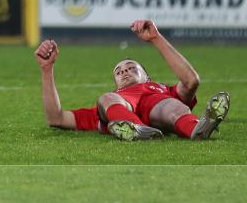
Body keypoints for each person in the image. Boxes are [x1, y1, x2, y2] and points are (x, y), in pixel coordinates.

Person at [35, 20, 231, 141]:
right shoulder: (110, 103)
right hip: (122, 110)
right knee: (106, 98)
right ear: (116, 82)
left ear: (147, 77)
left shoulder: (162, 90)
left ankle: (198, 129)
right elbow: (56, 118)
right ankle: (137, 129)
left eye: (131, 68)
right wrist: (46, 69)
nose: (125, 72)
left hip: (158, 107)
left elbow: (191, 81)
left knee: (171, 105)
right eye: (118, 72)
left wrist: (156, 37)